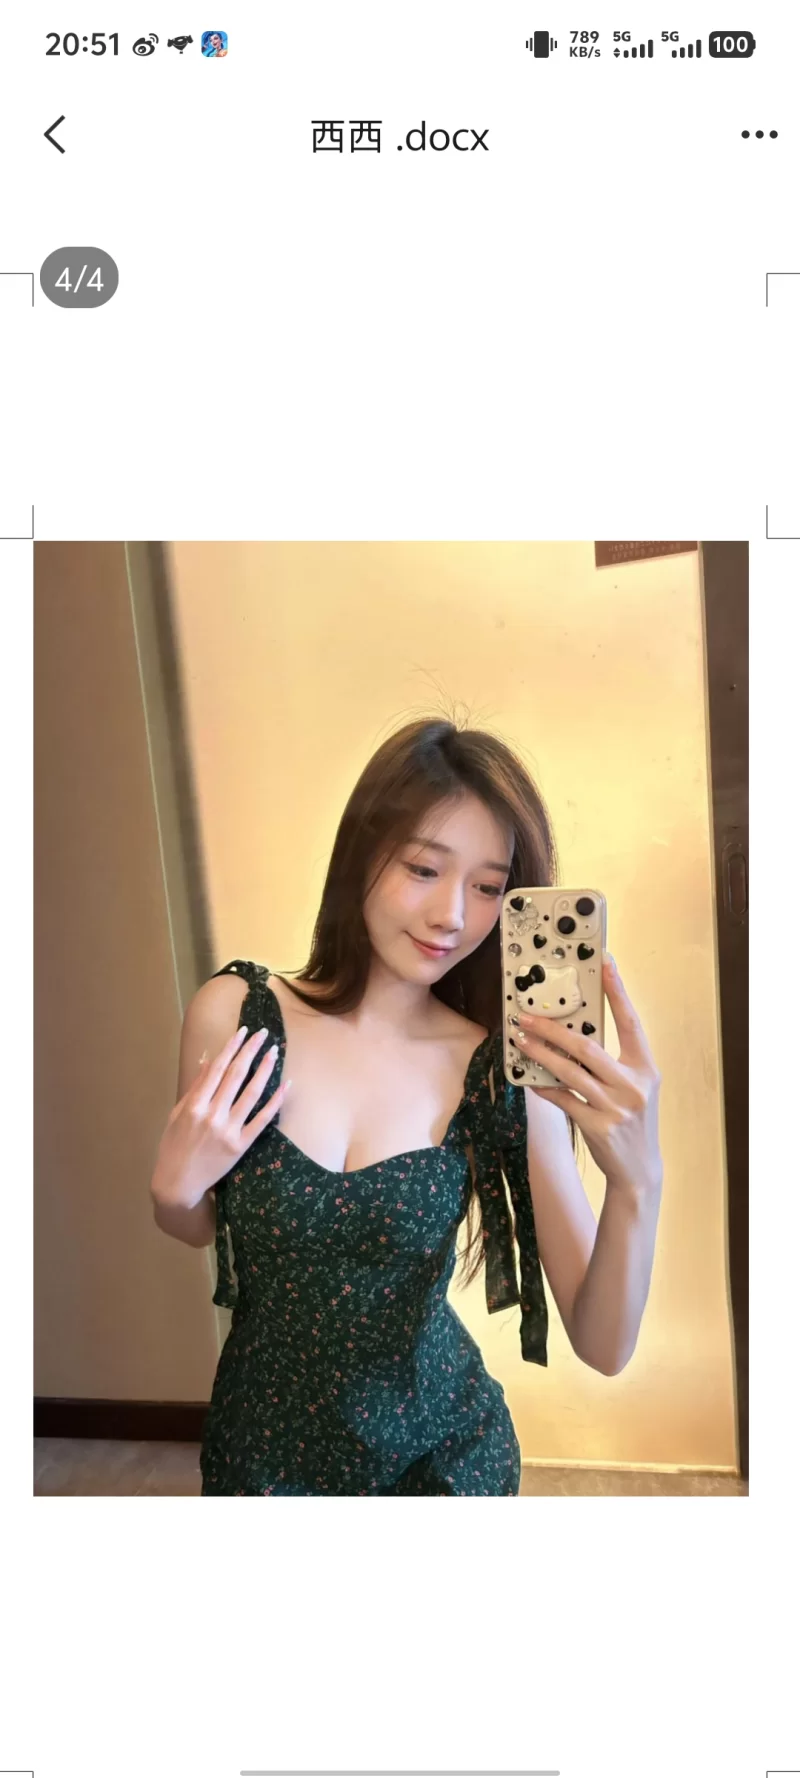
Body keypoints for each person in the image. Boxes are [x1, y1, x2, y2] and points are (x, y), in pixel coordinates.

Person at [150, 717, 664, 1496]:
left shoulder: (496, 1073)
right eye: (424, 868)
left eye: (487, 887)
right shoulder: (236, 1015)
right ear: (360, 855)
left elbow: (603, 1344)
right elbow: (196, 1222)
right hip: (262, 1452)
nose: (452, 915)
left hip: (442, 1462)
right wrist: (170, 1192)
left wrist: (637, 1181)